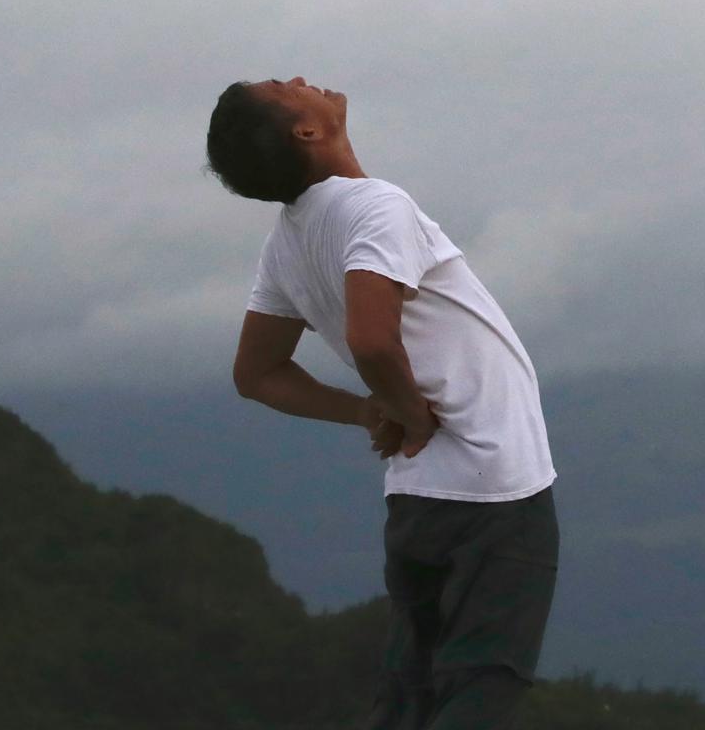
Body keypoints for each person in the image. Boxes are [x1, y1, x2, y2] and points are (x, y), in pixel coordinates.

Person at [206, 76, 557, 730]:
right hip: (493, 488)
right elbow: (372, 338)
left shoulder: (288, 241)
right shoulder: (376, 207)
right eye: (283, 87)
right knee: (484, 681)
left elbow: (257, 374)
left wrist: (365, 411)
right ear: (305, 132)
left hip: (417, 493)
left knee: (409, 691)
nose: (299, 80)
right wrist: (411, 411)